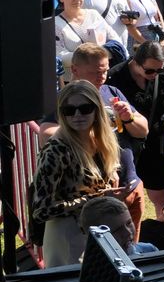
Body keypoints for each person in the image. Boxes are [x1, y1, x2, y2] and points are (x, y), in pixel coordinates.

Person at [31, 81, 122, 268]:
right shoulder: (55, 150)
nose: (77, 115)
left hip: (97, 230)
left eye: (85, 108)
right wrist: (92, 199)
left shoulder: (101, 142)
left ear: (97, 109)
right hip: (67, 237)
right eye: (69, 110)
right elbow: (41, 210)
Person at [106, 42, 164, 219]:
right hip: (126, 145)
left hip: (156, 142)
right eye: (149, 71)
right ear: (135, 62)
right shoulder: (115, 77)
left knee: (162, 198)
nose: (155, 74)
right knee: (126, 201)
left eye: (159, 69)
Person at [55, 0, 116, 76]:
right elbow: (60, 57)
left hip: (100, 76)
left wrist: (97, 55)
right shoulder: (55, 23)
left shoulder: (94, 15)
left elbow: (115, 42)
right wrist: (91, 55)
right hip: (73, 80)